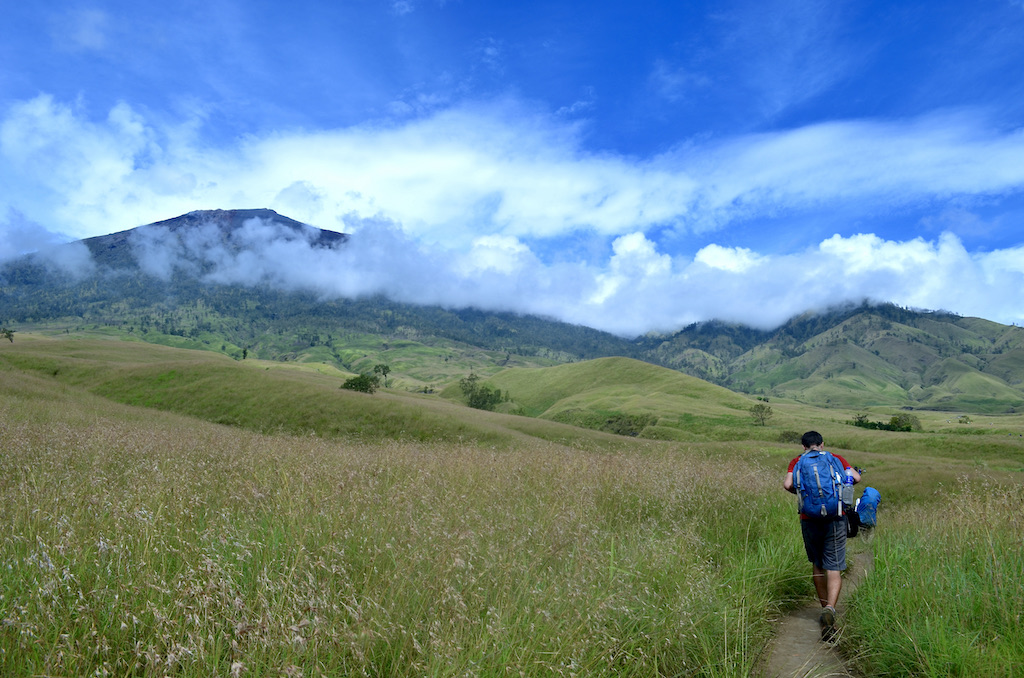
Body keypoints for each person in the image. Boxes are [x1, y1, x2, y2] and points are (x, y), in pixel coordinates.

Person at [783, 431, 860, 640]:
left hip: (809, 519)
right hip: (835, 518)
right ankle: (831, 610)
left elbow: (788, 484)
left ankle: (823, 607)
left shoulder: (797, 461)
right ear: (822, 444)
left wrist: (803, 495)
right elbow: (856, 477)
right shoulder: (835, 458)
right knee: (833, 566)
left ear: (803, 446)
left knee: (817, 564)